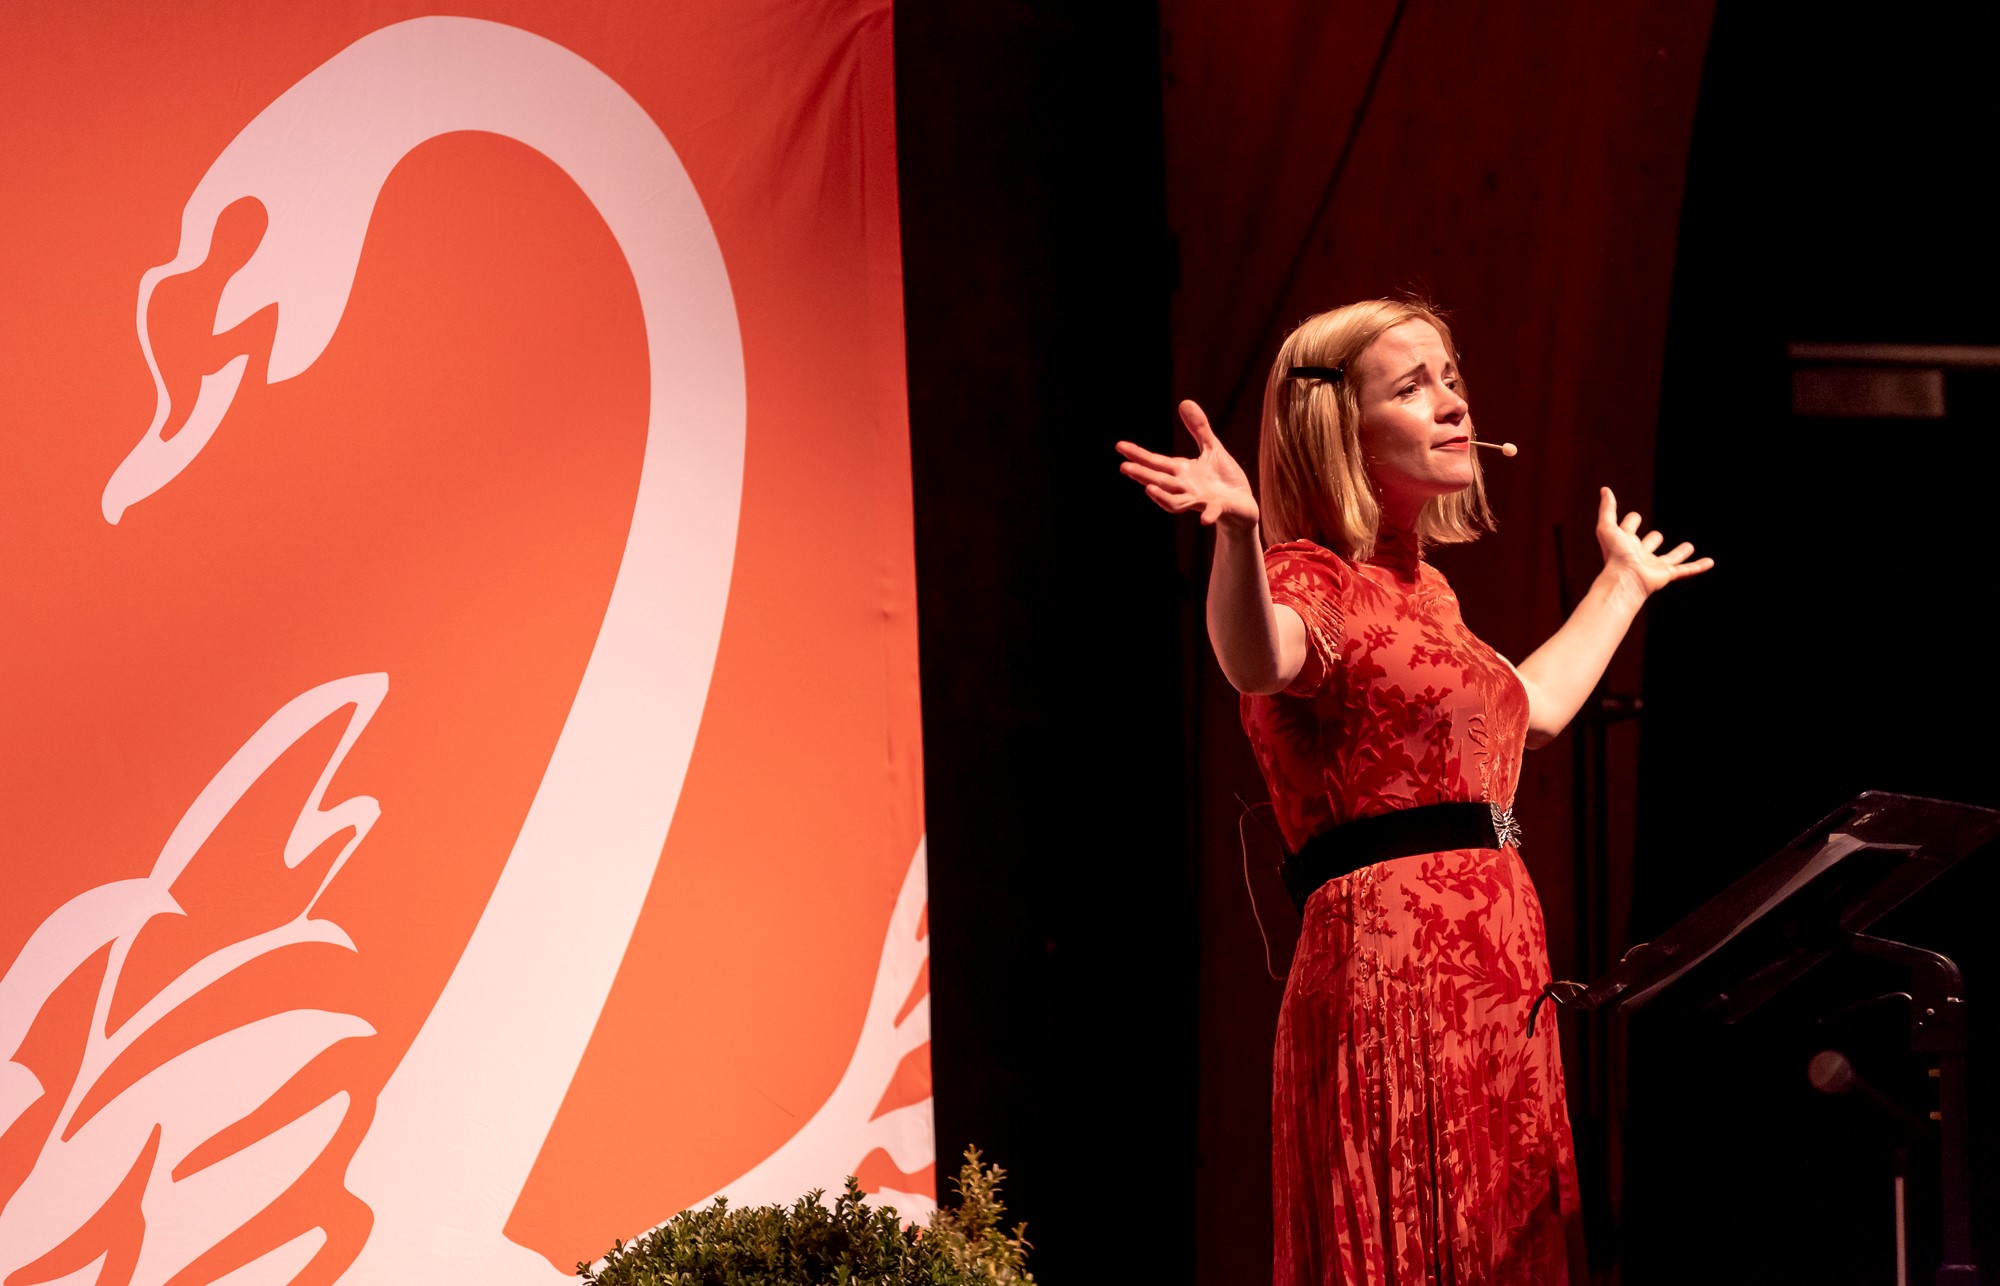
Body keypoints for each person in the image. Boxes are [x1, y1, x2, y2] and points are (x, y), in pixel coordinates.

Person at [1115, 298, 1710, 1285]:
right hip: (1392, 972)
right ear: (1337, 430)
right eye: (1410, 385)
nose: (1450, 403)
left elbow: (1531, 709)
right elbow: (1255, 659)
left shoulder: (1429, 594)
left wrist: (1620, 586)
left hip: (1496, 969)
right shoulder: (1303, 577)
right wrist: (1234, 539)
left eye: (1450, 377)